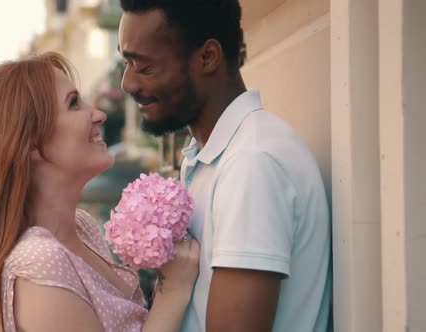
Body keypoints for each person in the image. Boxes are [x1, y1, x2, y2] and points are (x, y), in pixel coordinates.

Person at [0, 52, 200, 332]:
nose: (99, 114)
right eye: (74, 104)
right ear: (30, 144)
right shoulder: (39, 263)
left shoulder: (83, 228)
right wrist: (173, 289)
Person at [118, 1, 332, 331]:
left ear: (208, 57)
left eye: (144, 67)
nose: (128, 83)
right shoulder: (208, 155)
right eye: (127, 63)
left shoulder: (252, 163)